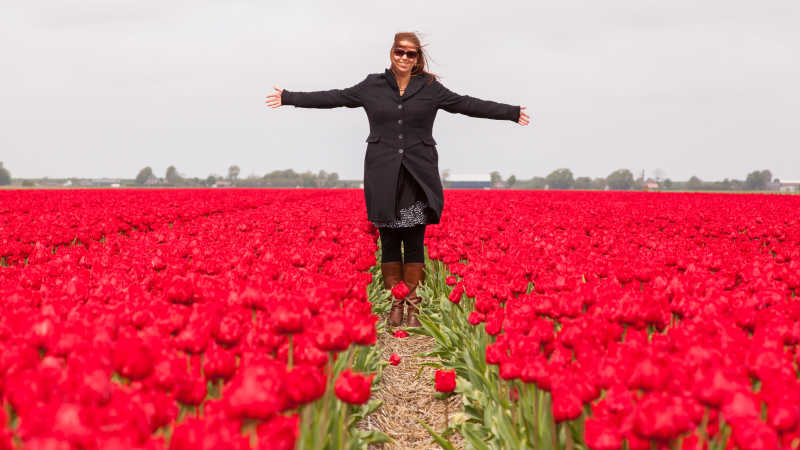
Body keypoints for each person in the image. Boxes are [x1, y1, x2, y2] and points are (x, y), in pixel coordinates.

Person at [266, 32, 530, 327]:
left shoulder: (430, 88)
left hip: (417, 174)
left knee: (414, 240)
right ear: (391, 53)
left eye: (411, 54)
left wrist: (510, 112)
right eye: (399, 52)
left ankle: (413, 303)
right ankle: (396, 301)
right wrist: (289, 97)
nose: (404, 58)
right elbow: (335, 97)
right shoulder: (372, 86)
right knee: (389, 240)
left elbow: (466, 104)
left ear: (417, 58)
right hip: (383, 174)